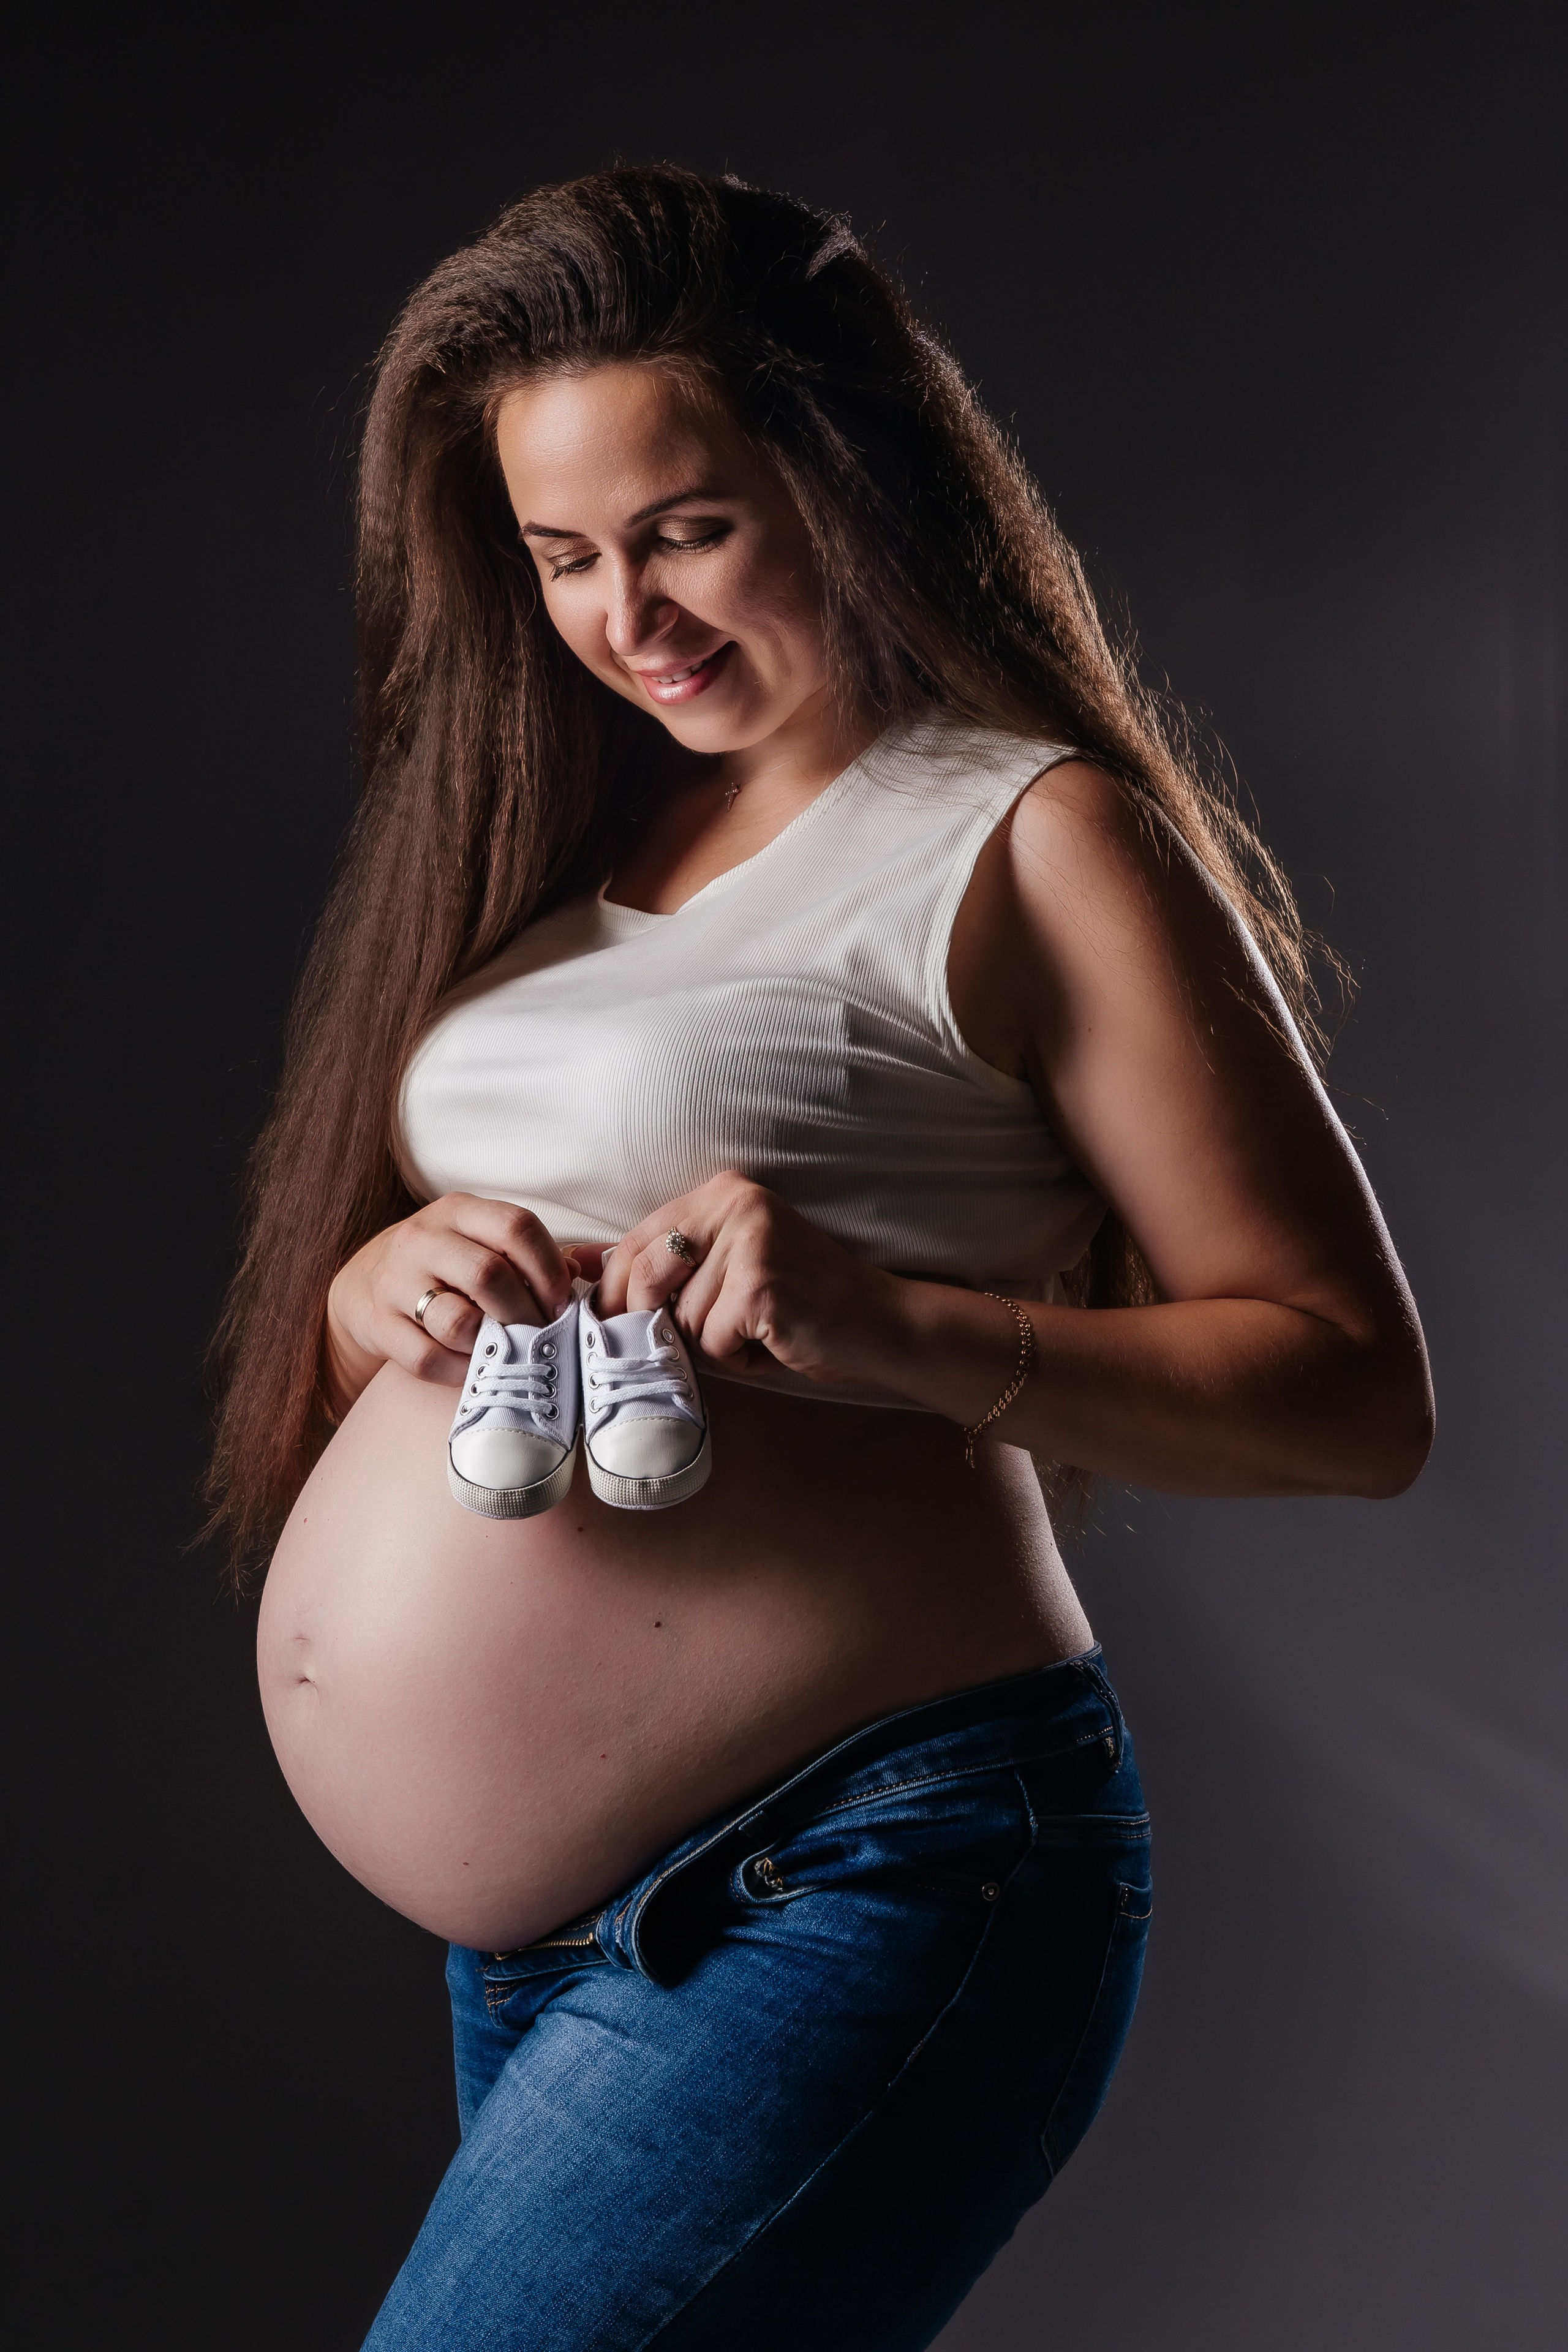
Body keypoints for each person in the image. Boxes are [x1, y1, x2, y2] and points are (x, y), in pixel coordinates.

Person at [208, 165, 1433, 2350]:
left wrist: (889, 1322)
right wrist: (364, 1293)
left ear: (846, 474)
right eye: (563, 556)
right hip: (554, 1929)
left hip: (862, 1866)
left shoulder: (1028, 834)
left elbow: (1349, 1389)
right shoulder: (571, 840)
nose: (626, 617)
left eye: (683, 528)